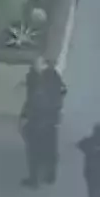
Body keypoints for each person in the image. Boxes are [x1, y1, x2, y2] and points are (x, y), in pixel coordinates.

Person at [20, 57, 67, 187]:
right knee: (51, 149)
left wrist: (26, 116)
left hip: (38, 122)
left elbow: (32, 101)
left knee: (34, 151)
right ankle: (51, 176)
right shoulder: (54, 76)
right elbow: (63, 90)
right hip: (52, 121)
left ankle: (34, 179)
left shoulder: (37, 81)